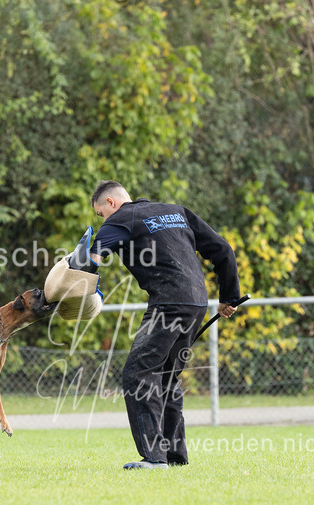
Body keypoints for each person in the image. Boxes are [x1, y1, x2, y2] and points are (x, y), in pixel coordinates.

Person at [85, 180, 241, 470]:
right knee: (167, 377)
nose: (102, 220)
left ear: (110, 203)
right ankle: (174, 456)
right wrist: (229, 296)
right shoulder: (175, 211)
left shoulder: (120, 218)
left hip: (168, 304)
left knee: (137, 374)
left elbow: (93, 258)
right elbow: (222, 248)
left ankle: (154, 457)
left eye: (100, 214)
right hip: (196, 303)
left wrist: (79, 279)